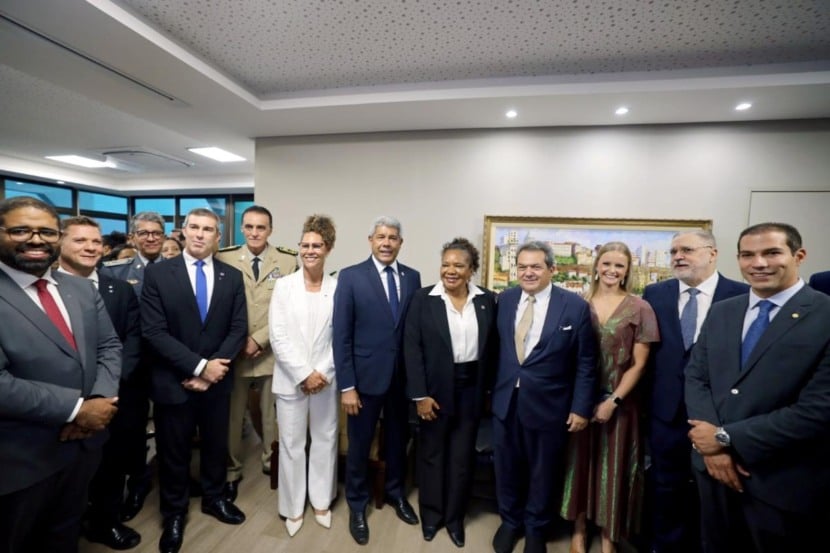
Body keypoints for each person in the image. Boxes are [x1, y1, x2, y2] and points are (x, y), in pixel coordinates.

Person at [685, 222, 830, 553]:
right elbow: (696, 377)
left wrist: (724, 438)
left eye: (772, 253)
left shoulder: (824, 314)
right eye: (747, 255)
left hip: (782, 481)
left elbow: (819, 408)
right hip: (712, 473)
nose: (759, 263)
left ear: (799, 256)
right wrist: (712, 449)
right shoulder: (723, 311)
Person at [0, 196, 121, 553]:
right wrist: (76, 409)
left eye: (47, 232)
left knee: (64, 537)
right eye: (21, 230)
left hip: (82, 448)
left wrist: (98, 402)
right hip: (19, 459)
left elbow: (109, 346)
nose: (36, 240)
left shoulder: (80, 289)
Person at [141, 207, 248, 553]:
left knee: (216, 446)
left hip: (217, 382)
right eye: (195, 227)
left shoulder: (231, 276)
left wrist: (213, 371)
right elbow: (154, 332)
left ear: (218, 237)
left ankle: (214, 498)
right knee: (174, 452)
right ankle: (174, 513)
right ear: (183, 231)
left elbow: (238, 329)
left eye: (209, 229)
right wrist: (200, 367)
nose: (201, 234)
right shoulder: (158, 274)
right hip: (174, 381)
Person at [642, 230, 747, 553]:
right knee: (666, 488)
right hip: (666, 412)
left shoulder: (741, 294)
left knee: (716, 491)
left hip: (718, 415)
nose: (678, 257)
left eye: (686, 250)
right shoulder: (655, 293)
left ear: (712, 253)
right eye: (674, 251)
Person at [491, 241, 597, 553]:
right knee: (506, 468)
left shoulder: (574, 306)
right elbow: (495, 350)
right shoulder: (505, 300)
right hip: (506, 401)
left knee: (543, 470)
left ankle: (536, 527)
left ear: (551, 269)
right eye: (522, 266)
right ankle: (510, 522)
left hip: (550, 405)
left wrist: (581, 408)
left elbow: (587, 362)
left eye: (536, 267)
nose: (528, 272)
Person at [560, 242, 659, 553]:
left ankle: (608, 536)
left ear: (627, 271)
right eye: (606, 264)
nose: (612, 270)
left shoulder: (640, 308)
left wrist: (613, 401)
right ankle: (578, 531)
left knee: (613, 470)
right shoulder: (578, 303)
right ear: (596, 266)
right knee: (578, 465)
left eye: (619, 266)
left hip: (620, 401)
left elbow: (640, 364)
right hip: (579, 399)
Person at [333, 215, 422, 545]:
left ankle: (396, 494)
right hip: (364, 381)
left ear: (401, 243)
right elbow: (341, 335)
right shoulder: (351, 276)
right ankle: (357, 505)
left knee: (398, 442)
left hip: (401, 380)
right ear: (370, 240)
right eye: (381, 237)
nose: (386, 243)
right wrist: (347, 386)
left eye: (393, 237)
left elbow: (412, 331)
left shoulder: (412, 277)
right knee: (360, 445)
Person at [404, 237, 498, 548]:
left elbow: (493, 350)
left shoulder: (487, 300)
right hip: (434, 391)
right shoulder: (423, 299)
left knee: (461, 457)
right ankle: (432, 516)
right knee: (432, 455)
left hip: (471, 389)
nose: (450, 270)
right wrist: (420, 395)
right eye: (446, 264)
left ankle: (455, 519)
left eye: (459, 265)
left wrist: (488, 392)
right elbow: (412, 349)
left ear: (471, 270)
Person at [57, 216, 143, 550]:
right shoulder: (43, 288)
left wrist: (104, 394)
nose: (90, 247)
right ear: (60, 242)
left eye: (95, 241)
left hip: (112, 397)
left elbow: (131, 340)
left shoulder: (118, 288)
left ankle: (105, 522)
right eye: (80, 240)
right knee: (64, 477)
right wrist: (78, 403)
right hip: (62, 401)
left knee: (111, 464)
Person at [216, 205, 298, 500]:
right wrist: (240, 340)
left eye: (260, 227)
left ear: (270, 230)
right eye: (249, 226)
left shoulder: (288, 261)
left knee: (272, 415)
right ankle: (232, 470)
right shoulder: (223, 257)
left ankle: (270, 462)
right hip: (235, 352)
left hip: (271, 352)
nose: (254, 232)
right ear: (241, 228)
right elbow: (219, 305)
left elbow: (290, 309)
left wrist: (260, 340)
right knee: (232, 417)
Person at [270, 214, 338, 536]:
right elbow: (278, 336)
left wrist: (321, 372)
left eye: (317, 245)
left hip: (326, 379)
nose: (310, 250)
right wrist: (303, 374)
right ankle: (293, 507)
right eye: (305, 245)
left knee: (325, 440)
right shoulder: (284, 286)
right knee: (292, 444)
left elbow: (342, 337)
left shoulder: (338, 288)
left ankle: (321, 502)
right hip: (291, 379)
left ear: (328, 249)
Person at [101, 210, 166, 520]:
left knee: (172, 426)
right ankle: (138, 482)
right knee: (132, 429)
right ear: (133, 237)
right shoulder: (115, 272)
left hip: (167, 363)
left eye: (156, 233)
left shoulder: (177, 269)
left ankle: (172, 476)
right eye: (144, 233)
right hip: (131, 366)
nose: (151, 238)